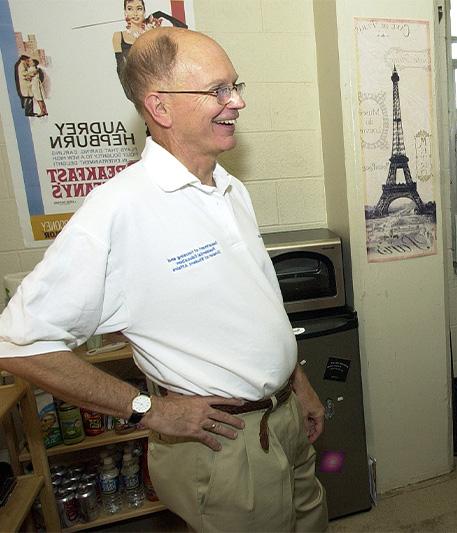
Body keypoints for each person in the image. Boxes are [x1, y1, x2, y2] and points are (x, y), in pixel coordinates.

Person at [0, 27, 328, 532]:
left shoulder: (228, 186)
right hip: (223, 445)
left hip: (282, 421)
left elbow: (257, 305)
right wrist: (148, 410)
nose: (237, 101)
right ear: (160, 107)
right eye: (218, 90)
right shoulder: (119, 210)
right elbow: (20, 344)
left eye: (235, 85)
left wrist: (297, 384)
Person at [112, 0, 187, 82]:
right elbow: (120, 68)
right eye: (130, 9)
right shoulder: (118, 36)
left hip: (161, 79)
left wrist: (160, 14)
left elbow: (183, 28)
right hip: (137, 84)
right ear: (125, 12)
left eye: (139, 8)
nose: (135, 13)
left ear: (144, 11)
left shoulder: (152, 31)